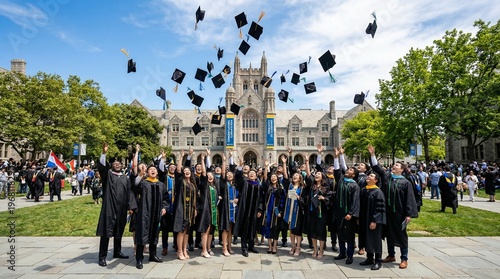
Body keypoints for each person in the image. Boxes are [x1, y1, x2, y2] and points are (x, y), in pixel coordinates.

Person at [368, 144, 418, 269]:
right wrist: (372, 155)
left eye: (396, 165)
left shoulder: (405, 182)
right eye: (394, 165)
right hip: (387, 212)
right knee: (389, 234)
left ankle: (404, 258)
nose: (393, 166)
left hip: (400, 213)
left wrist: (408, 214)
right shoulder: (388, 178)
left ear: (401, 170)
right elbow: (378, 169)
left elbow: (409, 199)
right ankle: (391, 255)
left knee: (401, 235)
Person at [96, 143, 136, 267]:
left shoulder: (125, 178)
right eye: (115, 164)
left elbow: (130, 192)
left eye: (119, 163)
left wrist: (131, 207)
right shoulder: (108, 176)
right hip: (110, 207)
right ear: (111, 166)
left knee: (119, 230)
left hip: (122, 208)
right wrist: (104, 152)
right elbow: (102, 167)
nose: (117, 164)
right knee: (106, 232)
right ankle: (102, 256)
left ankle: (117, 252)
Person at [131, 144, 168, 269]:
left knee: (154, 235)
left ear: (157, 172)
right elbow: (135, 188)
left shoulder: (161, 185)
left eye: (154, 170)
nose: (153, 170)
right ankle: (139, 259)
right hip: (145, 213)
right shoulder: (144, 183)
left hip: (156, 213)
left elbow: (166, 199)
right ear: (147, 172)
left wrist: (164, 208)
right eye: (150, 169)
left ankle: (153, 255)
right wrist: (140, 175)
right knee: (142, 235)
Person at [332, 147, 360, 264]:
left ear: (354, 175)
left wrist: (351, 213)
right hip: (339, 212)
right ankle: (342, 252)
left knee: (349, 235)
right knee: (340, 233)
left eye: (351, 170)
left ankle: (349, 255)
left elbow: (355, 201)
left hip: (348, 214)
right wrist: (337, 156)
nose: (348, 170)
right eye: (348, 170)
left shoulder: (355, 186)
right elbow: (337, 170)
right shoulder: (342, 180)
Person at [234, 157, 262, 257]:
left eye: (253, 174)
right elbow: (237, 177)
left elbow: (261, 200)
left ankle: (251, 246)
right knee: (245, 229)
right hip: (245, 210)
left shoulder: (258, 186)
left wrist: (259, 209)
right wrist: (240, 166)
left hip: (253, 211)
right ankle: (244, 248)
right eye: (250, 173)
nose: (251, 174)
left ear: (255, 176)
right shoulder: (244, 183)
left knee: (252, 229)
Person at [173, 149, 198, 260]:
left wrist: (195, 209)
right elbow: (178, 170)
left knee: (187, 231)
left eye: (188, 170)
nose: (187, 171)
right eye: (185, 170)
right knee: (181, 230)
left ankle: (184, 249)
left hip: (190, 210)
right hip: (181, 209)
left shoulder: (192, 183)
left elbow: (195, 197)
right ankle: (179, 251)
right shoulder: (180, 181)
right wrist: (182, 156)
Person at [358, 172, 386, 270]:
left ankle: (378, 260)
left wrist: (375, 220)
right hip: (364, 219)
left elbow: (379, 208)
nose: (368, 177)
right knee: (366, 238)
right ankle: (369, 258)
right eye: (368, 175)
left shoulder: (378, 192)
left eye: (371, 176)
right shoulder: (364, 190)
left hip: (373, 220)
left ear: (376, 180)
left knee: (375, 239)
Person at [261, 157, 286, 255]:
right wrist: (267, 167)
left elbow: (283, 200)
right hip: (268, 210)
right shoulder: (268, 187)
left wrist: (280, 211)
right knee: (268, 228)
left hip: (276, 211)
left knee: (275, 228)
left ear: (277, 179)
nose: (273, 178)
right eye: (272, 177)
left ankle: (275, 246)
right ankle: (270, 246)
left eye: (275, 177)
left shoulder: (280, 189)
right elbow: (265, 178)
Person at [197, 152, 219, 258]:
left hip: (213, 210)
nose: (209, 177)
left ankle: (209, 248)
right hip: (205, 210)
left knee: (211, 230)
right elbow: (204, 174)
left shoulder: (215, 186)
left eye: (211, 176)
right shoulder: (204, 185)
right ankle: (204, 250)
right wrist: (203, 160)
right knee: (205, 229)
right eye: (208, 176)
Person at [283, 156, 306, 257]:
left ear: (300, 178)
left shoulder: (302, 188)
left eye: (297, 175)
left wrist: (299, 198)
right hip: (290, 210)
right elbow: (285, 176)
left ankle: (298, 247)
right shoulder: (290, 186)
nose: (295, 176)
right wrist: (284, 164)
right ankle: (292, 246)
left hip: (298, 211)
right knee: (291, 230)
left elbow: (305, 200)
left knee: (297, 230)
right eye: (294, 175)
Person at [219, 151, 238, 256]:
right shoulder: (224, 184)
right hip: (226, 209)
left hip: (233, 209)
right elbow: (222, 174)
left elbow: (238, 196)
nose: (229, 175)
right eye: (228, 174)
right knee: (226, 229)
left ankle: (229, 246)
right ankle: (224, 248)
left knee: (230, 229)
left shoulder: (235, 185)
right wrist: (224, 161)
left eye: (231, 174)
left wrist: (238, 200)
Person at [158, 152, 176, 256]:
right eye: (171, 167)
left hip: (175, 206)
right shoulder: (165, 176)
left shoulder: (178, 178)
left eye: (174, 167)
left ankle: (175, 244)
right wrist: (162, 158)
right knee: (165, 229)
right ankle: (164, 247)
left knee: (176, 227)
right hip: (166, 205)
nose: (172, 168)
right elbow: (160, 169)